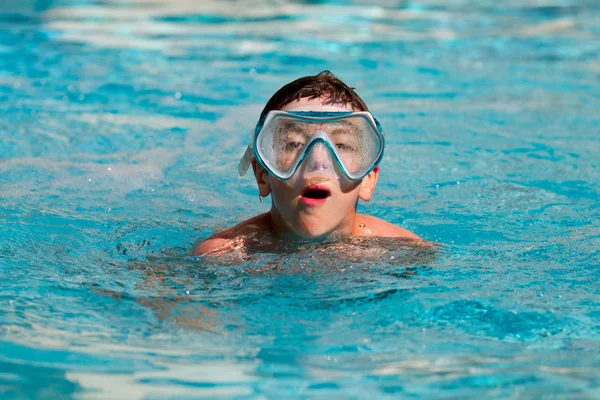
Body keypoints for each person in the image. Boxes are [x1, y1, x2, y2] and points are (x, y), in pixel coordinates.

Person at [195, 71, 421, 256]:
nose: (318, 164)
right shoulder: (222, 255)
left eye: (341, 146)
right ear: (262, 174)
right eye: (294, 144)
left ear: (368, 179)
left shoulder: (407, 252)